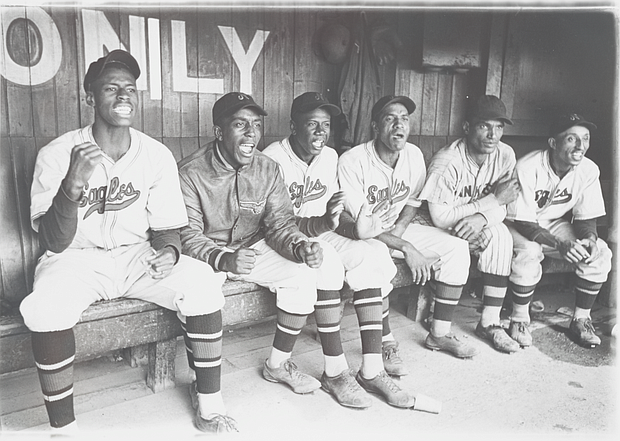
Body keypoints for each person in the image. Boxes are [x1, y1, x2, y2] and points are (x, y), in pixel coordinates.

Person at [19, 50, 237, 434]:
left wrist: (169, 253)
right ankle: (62, 428)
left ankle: (210, 405)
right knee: (44, 309)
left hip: (138, 257)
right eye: (111, 87)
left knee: (203, 284)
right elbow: (54, 241)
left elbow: (169, 228)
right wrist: (71, 186)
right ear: (90, 97)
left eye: (130, 88)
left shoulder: (155, 154)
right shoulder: (56, 154)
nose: (123, 95)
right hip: (74, 258)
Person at [263, 92, 414, 409]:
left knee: (371, 253)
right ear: (293, 126)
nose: (320, 132)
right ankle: (335, 371)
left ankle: (371, 371)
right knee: (328, 263)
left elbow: (334, 214)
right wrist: (325, 227)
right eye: (312, 124)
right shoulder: (273, 158)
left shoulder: (329, 157)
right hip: (284, 236)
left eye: (326, 125)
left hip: (320, 232)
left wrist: (354, 229)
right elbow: (274, 223)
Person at [178, 92, 328, 404]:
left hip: (249, 248)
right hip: (207, 255)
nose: (251, 134)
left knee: (301, 275)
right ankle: (199, 380)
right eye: (240, 125)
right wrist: (223, 259)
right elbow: (187, 234)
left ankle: (277, 365)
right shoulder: (191, 171)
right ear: (220, 132)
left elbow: (280, 224)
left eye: (256, 125)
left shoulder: (268, 168)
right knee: (198, 291)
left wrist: (300, 247)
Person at [338, 95, 477, 359]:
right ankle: (386, 342)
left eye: (404, 118)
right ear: (376, 127)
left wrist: (401, 233)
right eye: (390, 119)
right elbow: (361, 224)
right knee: (376, 258)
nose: (398, 125)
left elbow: (413, 200)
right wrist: (404, 247)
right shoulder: (352, 161)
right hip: (362, 234)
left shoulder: (413, 154)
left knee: (456, 248)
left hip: (397, 229)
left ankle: (439, 334)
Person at [418, 95, 522, 353]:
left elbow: (507, 207)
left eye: (499, 127)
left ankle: (490, 322)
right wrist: (490, 202)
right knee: (456, 245)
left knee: (501, 236)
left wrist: (483, 217)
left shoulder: (505, 154)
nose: (492, 134)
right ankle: (439, 322)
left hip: (472, 223)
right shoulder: (447, 161)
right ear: (467, 127)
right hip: (433, 225)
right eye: (484, 126)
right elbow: (440, 217)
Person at [505, 113, 612, 348]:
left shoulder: (588, 169)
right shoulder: (528, 166)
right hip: (516, 223)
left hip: (552, 223)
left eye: (585, 138)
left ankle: (581, 319)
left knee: (600, 252)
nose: (580, 146)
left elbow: (586, 216)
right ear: (553, 143)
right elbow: (523, 221)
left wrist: (590, 238)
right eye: (572, 139)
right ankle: (519, 319)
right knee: (530, 252)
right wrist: (559, 244)